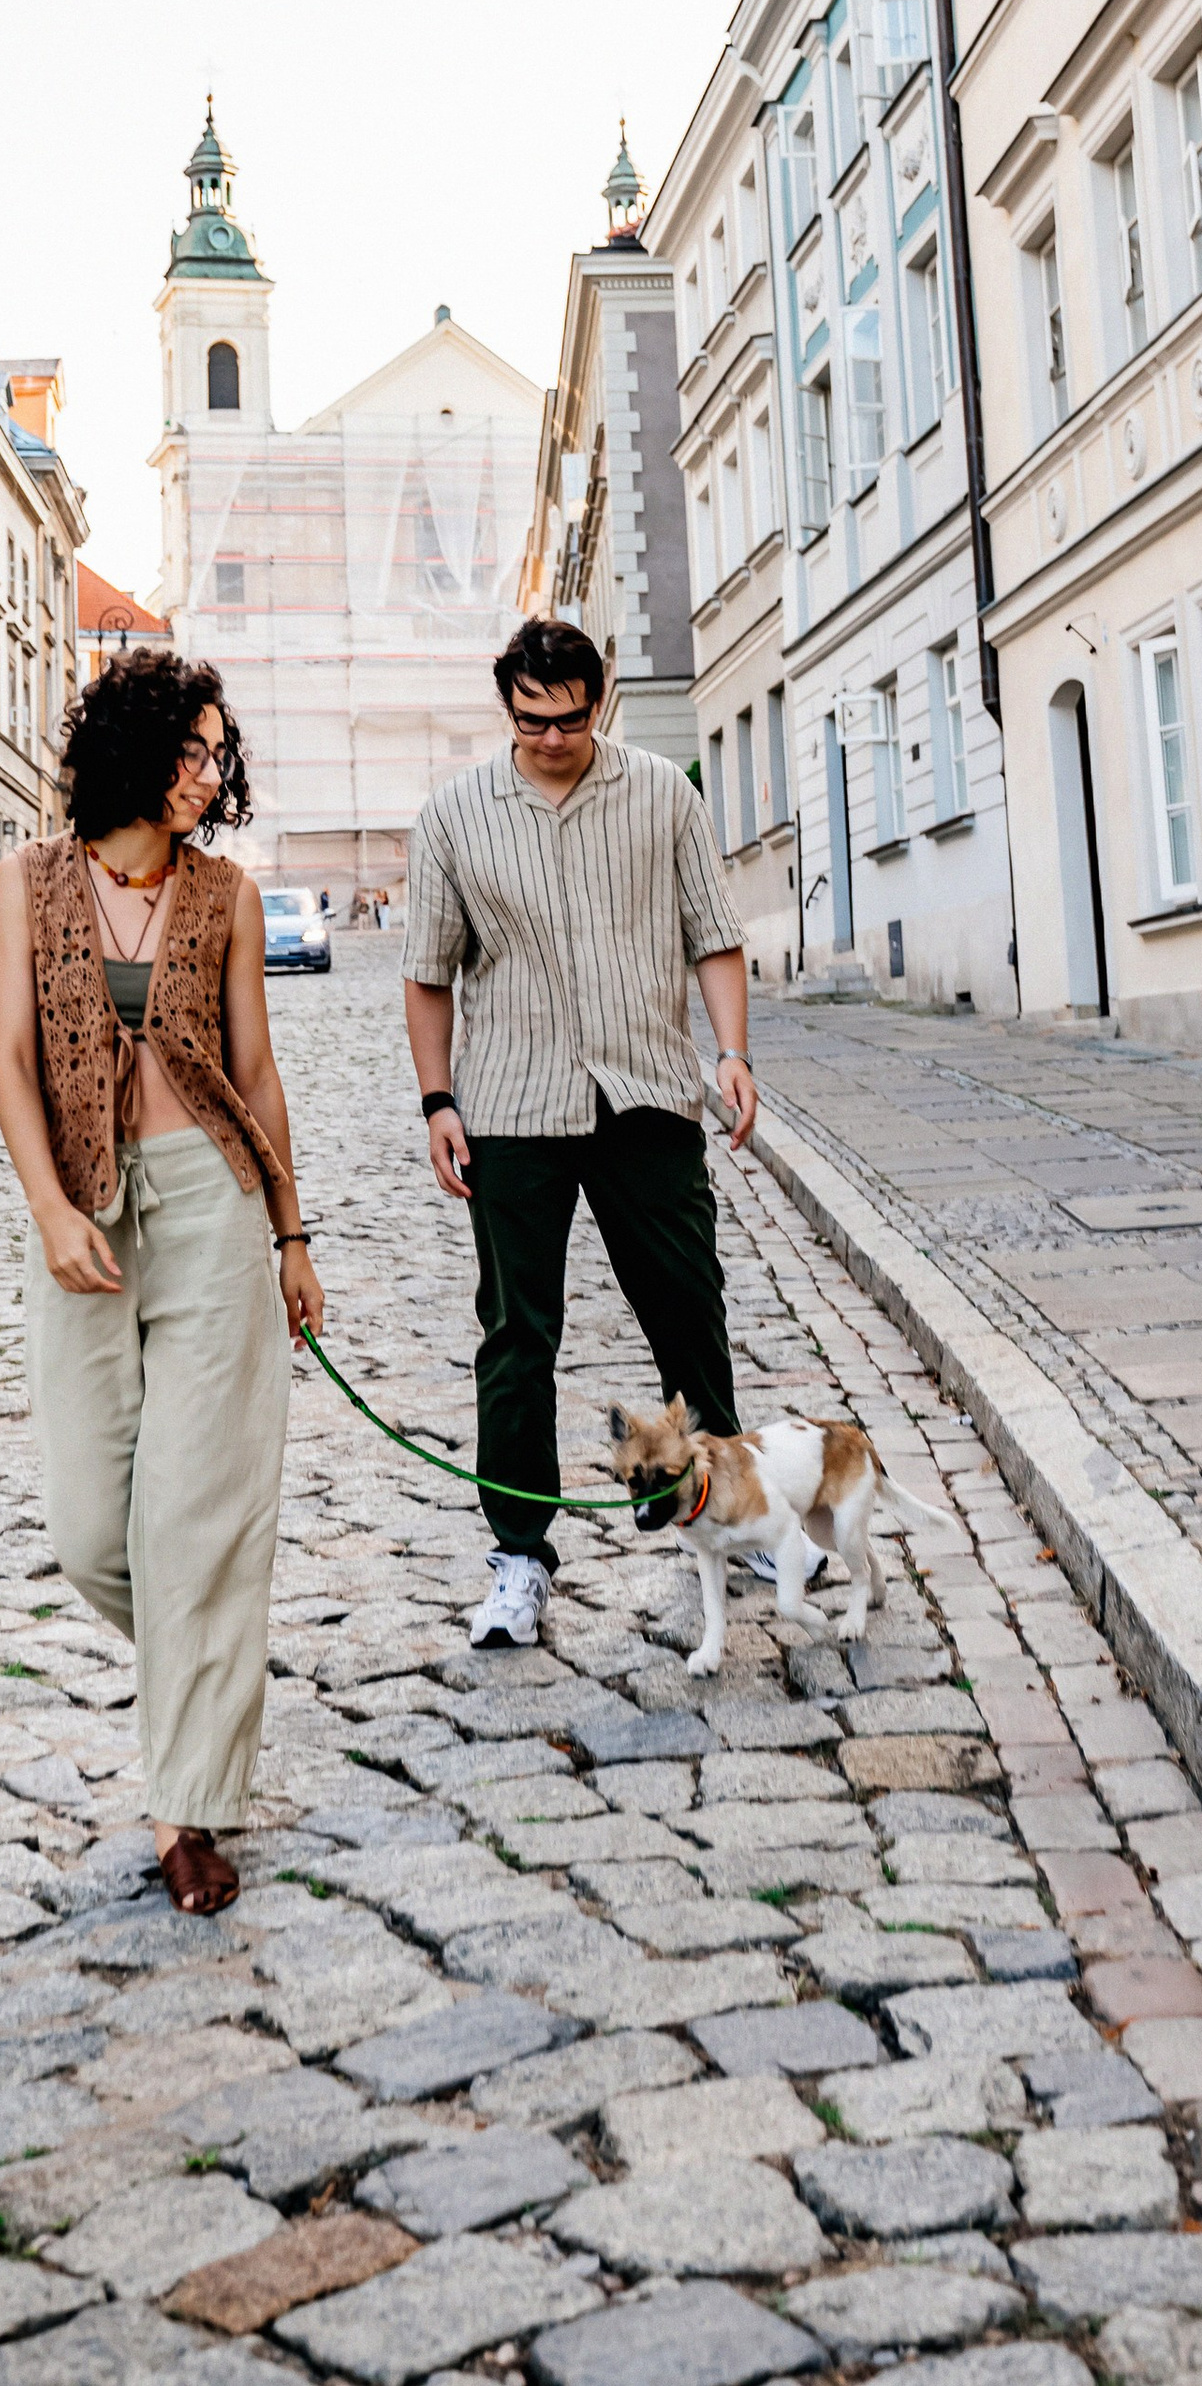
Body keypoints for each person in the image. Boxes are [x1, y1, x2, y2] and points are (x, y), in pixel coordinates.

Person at [0, 649, 323, 1912]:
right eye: (190, 750)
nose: (207, 773)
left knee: (206, 1521)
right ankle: (208, 1667)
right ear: (131, 750)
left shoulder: (226, 895)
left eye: (216, 754)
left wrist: (292, 1234)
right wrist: (50, 1207)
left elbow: (261, 1075)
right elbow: (12, 1061)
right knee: (90, 1531)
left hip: (214, 1214)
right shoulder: (26, 881)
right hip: (81, 1220)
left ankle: (191, 1814)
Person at [404, 615, 758, 1650]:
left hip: (646, 1091)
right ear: (505, 705)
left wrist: (730, 1052)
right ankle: (519, 1558)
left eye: (566, 718)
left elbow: (715, 936)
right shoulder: (456, 816)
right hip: (511, 1106)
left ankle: (730, 1515)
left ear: (597, 701)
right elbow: (428, 975)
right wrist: (437, 1102)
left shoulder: (663, 795)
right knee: (518, 1340)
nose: (549, 736)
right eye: (528, 719)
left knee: (688, 1313)